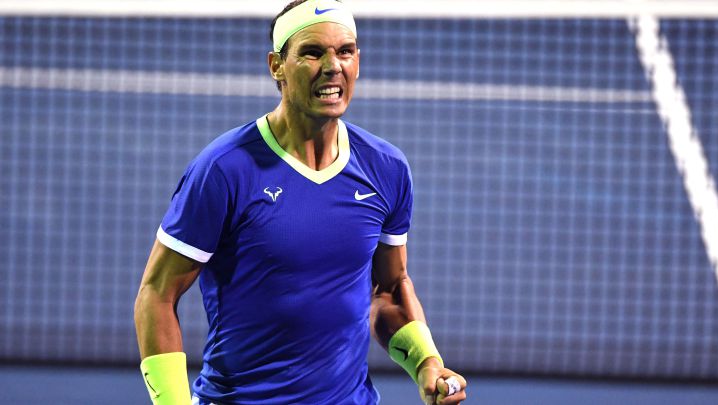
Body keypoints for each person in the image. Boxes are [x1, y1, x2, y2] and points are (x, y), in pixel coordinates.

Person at [133, 0, 467, 404]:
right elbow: (157, 293)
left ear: (358, 60)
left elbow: (390, 289)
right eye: (313, 52)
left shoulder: (386, 168)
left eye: (345, 51)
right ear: (276, 65)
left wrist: (426, 362)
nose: (333, 67)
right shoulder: (224, 170)